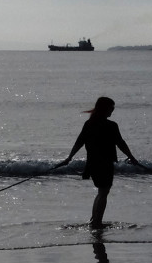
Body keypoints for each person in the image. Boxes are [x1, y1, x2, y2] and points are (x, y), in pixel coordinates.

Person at [58, 96, 139, 228]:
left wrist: (69, 157)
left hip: (92, 164)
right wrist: (132, 157)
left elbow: (79, 141)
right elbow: (121, 143)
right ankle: (97, 222)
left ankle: (94, 220)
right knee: (103, 192)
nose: (112, 111)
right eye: (111, 108)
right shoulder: (111, 125)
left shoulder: (89, 123)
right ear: (104, 108)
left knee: (101, 192)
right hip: (105, 163)